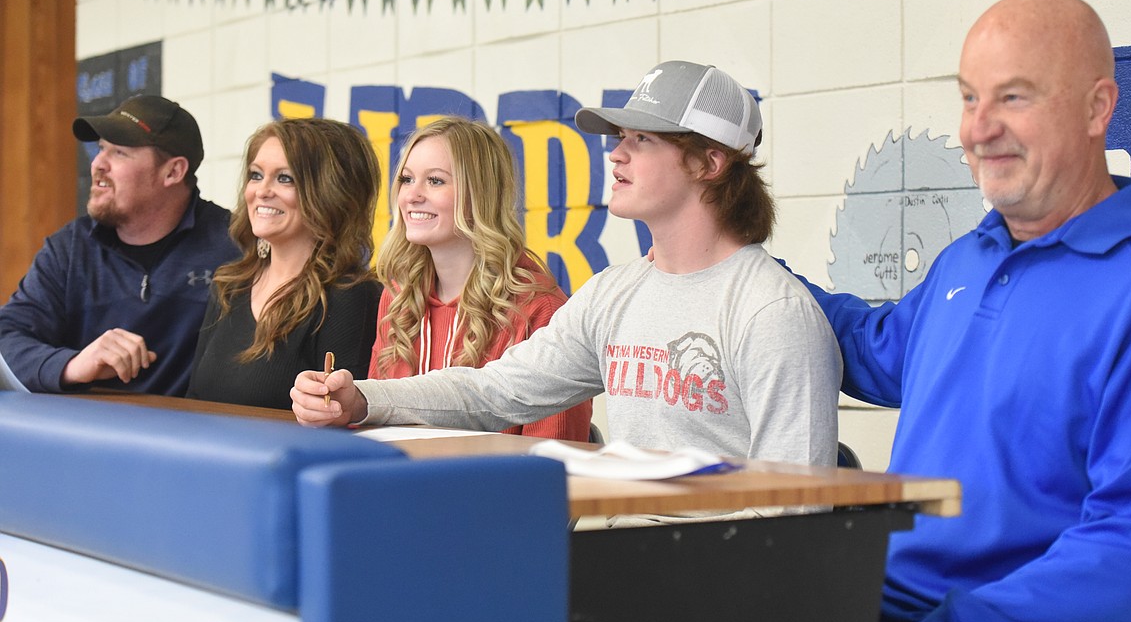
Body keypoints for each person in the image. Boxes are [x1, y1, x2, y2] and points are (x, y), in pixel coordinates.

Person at [787, 0, 1131, 622]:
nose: (978, 129)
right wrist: (761, 278)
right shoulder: (969, 257)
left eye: (1014, 98)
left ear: (1097, 108)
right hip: (900, 599)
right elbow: (877, 349)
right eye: (969, 98)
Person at [292, 60, 842, 473]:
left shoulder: (773, 312)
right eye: (619, 139)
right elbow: (494, 392)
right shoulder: (612, 294)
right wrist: (362, 399)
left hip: (712, 588)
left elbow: (797, 513)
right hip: (622, 560)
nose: (615, 155)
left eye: (642, 140)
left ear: (710, 162)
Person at [366, 116, 591, 441]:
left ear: (481, 194)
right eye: (406, 179)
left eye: (435, 181)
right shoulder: (399, 296)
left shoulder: (540, 310)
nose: (412, 195)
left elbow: (550, 458)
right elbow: (376, 425)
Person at [0, 95, 238, 395]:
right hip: (88, 436)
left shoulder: (236, 245)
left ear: (173, 172)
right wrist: (72, 365)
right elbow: (6, 338)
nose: (98, 164)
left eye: (119, 153)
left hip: (199, 437)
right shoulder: (69, 250)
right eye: (100, 149)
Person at [186, 118, 382, 410]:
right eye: (255, 175)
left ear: (330, 192)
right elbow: (195, 401)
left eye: (284, 178)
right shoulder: (229, 284)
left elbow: (338, 420)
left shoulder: (349, 295)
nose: (261, 191)